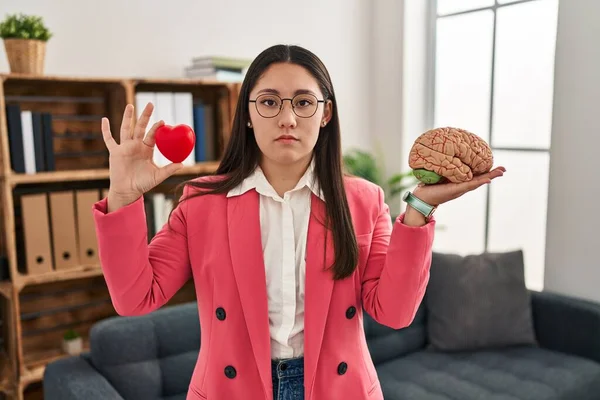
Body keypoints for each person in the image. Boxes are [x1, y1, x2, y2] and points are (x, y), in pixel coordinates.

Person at [93, 44, 505, 400]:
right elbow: (135, 298)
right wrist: (124, 198)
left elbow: (395, 313)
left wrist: (418, 209)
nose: (287, 118)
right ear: (249, 115)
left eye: (304, 102)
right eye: (270, 102)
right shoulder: (202, 201)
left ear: (325, 115)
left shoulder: (363, 200)